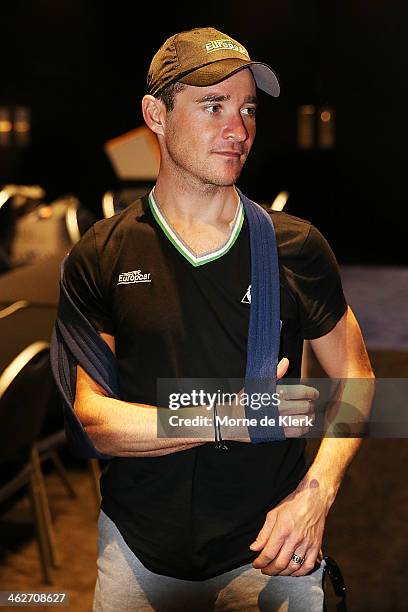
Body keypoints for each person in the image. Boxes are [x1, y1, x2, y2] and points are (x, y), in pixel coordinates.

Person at [60, 27, 374, 611]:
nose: (239, 130)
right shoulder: (101, 256)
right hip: (137, 554)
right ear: (155, 114)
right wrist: (235, 412)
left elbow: (357, 379)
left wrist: (317, 492)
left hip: (273, 551)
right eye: (213, 107)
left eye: (247, 109)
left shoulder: (295, 248)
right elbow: (93, 421)